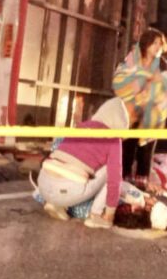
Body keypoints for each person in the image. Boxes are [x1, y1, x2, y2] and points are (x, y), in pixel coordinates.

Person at [36, 97, 134, 229]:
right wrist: (110, 213)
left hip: (43, 184)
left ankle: (55, 203)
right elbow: (114, 181)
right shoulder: (113, 139)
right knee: (112, 172)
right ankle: (97, 216)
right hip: (68, 190)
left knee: (69, 163)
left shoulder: (81, 126)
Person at [112, 28, 167, 189]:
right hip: (132, 111)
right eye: (154, 43)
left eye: (160, 44)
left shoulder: (164, 65)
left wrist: (161, 85)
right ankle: (123, 181)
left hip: (152, 114)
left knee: (146, 151)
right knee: (127, 146)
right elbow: (119, 78)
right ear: (146, 44)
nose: (158, 47)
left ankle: (141, 185)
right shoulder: (132, 59)